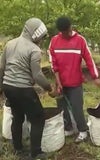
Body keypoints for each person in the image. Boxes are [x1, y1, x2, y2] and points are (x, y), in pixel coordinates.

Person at [0, 18, 57, 159]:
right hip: (23, 89)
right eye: (42, 37)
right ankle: (36, 153)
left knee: (17, 117)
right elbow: (37, 75)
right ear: (36, 34)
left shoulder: (10, 44)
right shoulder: (34, 49)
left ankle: (18, 149)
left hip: (9, 88)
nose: (42, 41)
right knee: (38, 118)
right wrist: (50, 89)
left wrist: (1, 87)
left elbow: (1, 68)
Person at [49, 16, 100, 143]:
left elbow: (89, 59)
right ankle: (68, 128)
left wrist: (95, 77)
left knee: (76, 107)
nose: (66, 34)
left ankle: (83, 130)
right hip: (60, 82)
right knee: (62, 107)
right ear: (59, 31)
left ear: (71, 27)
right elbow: (53, 64)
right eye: (63, 32)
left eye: (67, 31)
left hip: (75, 82)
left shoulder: (80, 40)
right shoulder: (54, 41)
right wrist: (58, 82)